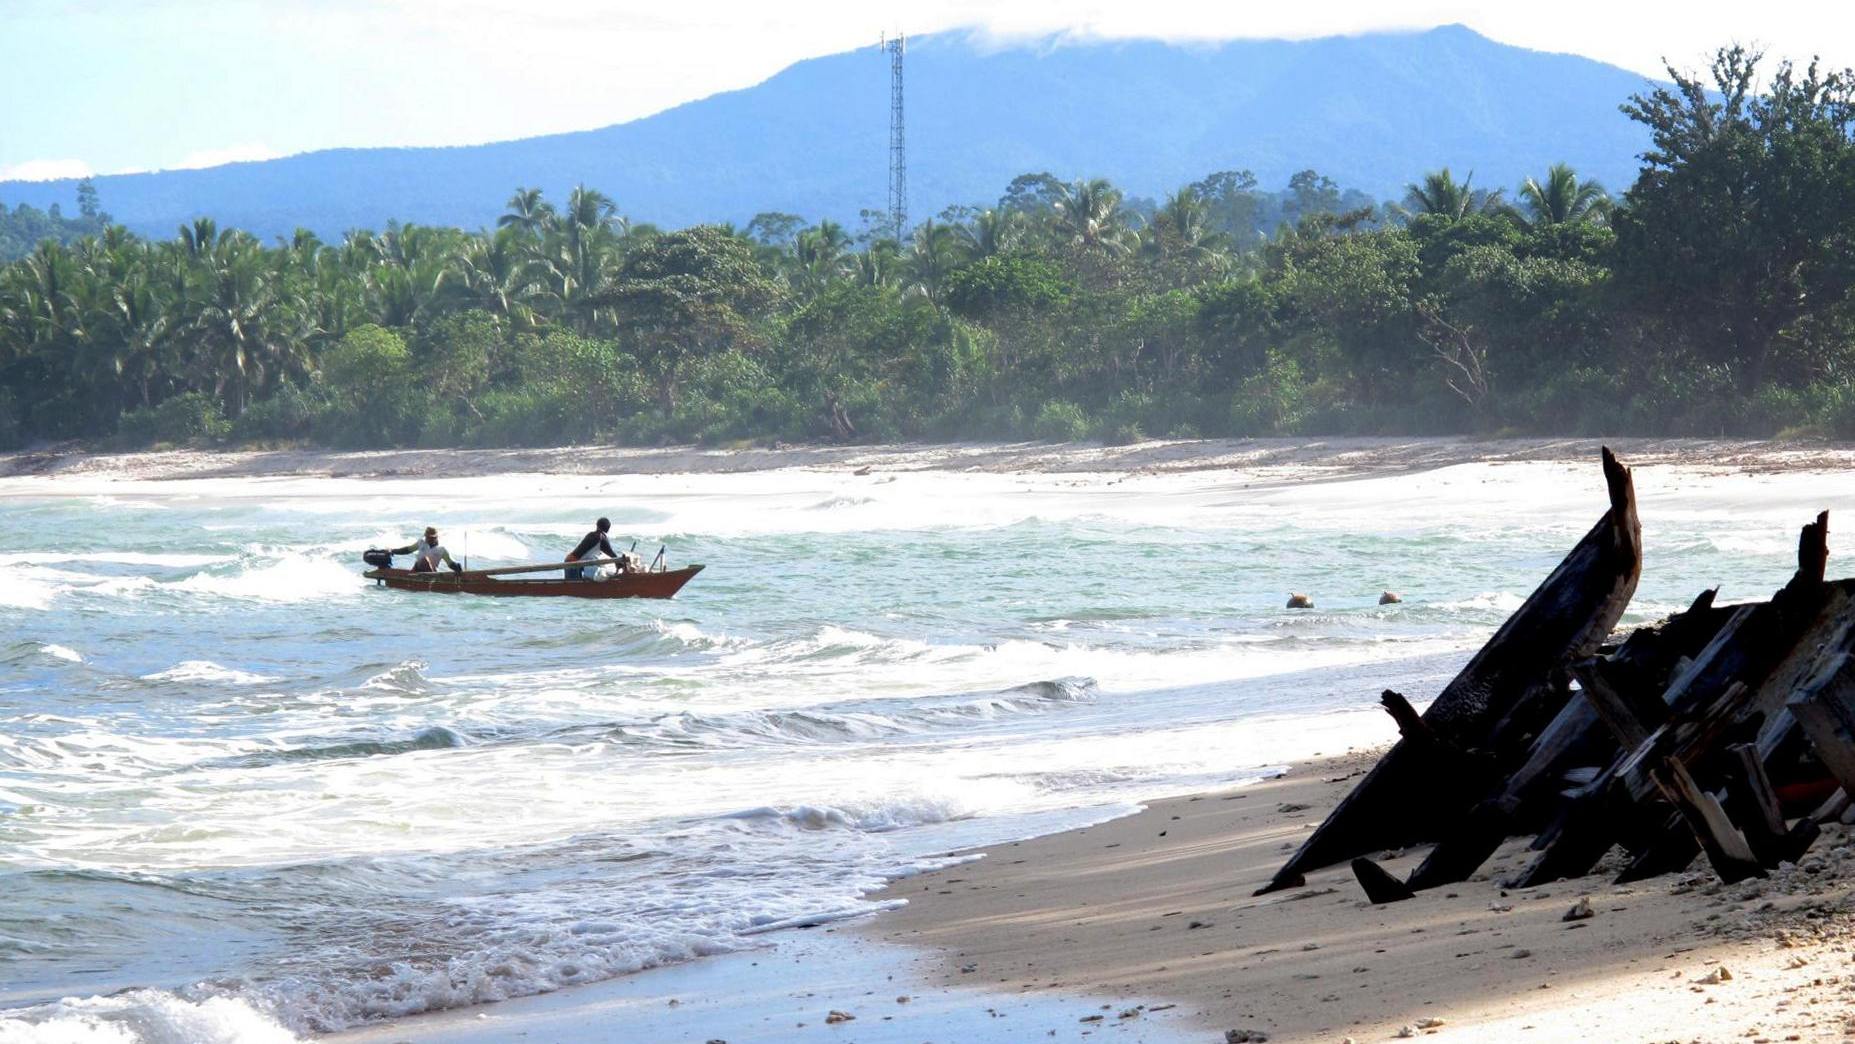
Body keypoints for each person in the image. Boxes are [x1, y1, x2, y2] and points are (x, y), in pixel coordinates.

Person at [392, 527, 461, 573]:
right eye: (427, 537)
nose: (428, 539)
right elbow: (408, 550)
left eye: (431, 537)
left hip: (431, 573)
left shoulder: (442, 550)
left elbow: (450, 562)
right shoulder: (421, 543)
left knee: (426, 561)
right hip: (417, 569)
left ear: (436, 538)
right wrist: (393, 551)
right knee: (424, 560)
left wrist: (457, 567)